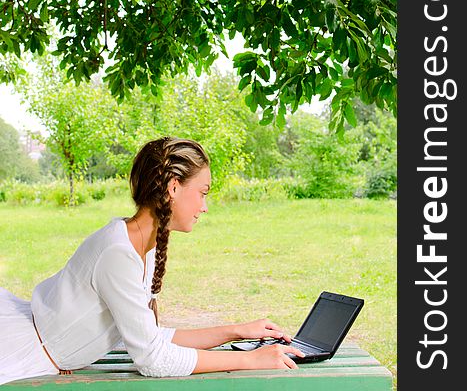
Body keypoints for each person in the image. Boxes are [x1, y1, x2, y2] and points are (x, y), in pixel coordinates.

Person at [0, 136, 303, 385]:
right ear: (173, 187)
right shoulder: (118, 252)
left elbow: (151, 338)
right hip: (19, 352)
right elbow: (153, 359)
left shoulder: (139, 243)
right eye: (202, 193)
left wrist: (237, 331)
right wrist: (250, 359)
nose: (205, 206)